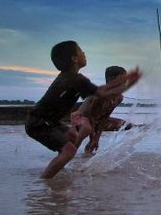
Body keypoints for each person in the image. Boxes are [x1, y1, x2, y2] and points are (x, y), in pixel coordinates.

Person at [25, 41, 142, 178]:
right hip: (39, 123)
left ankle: (60, 163)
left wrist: (127, 82)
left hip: (51, 122)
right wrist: (128, 80)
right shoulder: (74, 79)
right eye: (81, 51)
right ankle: (44, 183)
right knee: (69, 151)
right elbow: (102, 92)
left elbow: (104, 92)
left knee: (73, 138)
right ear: (74, 59)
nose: (84, 54)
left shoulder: (72, 78)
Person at [73, 66, 134, 154]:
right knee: (83, 135)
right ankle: (69, 156)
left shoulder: (119, 98)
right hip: (81, 119)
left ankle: (86, 155)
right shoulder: (101, 96)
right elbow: (91, 117)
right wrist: (92, 138)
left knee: (126, 125)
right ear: (112, 79)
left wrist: (97, 139)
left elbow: (104, 118)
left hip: (95, 120)